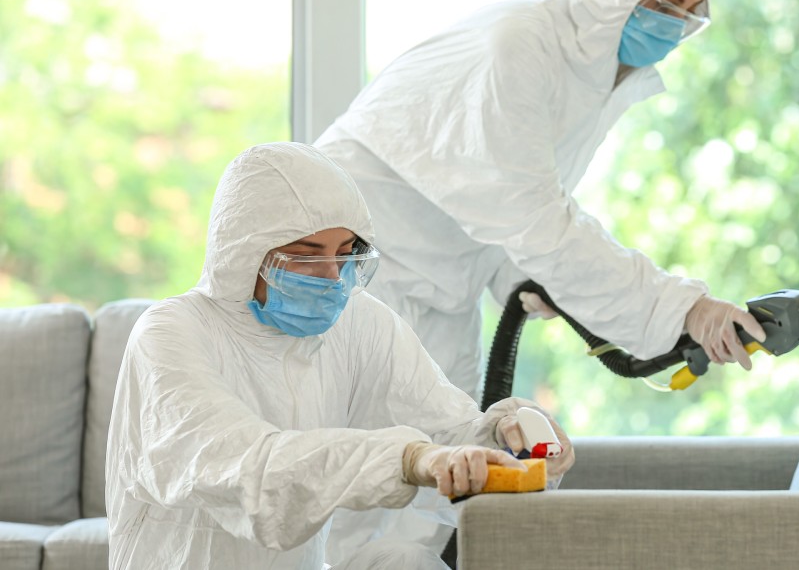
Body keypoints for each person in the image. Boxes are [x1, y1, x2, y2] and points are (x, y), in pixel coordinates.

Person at [314, 0, 768, 403]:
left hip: (442, 293)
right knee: (361, 461)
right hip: (356, 272)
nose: (673, 25)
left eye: (689, 13)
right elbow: (536, 221)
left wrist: (527, 276)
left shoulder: (591, 75)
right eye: (664, 4)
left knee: (453, 457)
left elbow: (495, 198)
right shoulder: (519, 47)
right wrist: (684, 309)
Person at [105, 142, 575, 570]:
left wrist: (507, 441)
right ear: (244, 253)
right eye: (309, 256)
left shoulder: (356, 323)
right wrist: (409, 458)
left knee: (404, 563)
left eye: (346, 253)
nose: (333, 277)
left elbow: (447, 433)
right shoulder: (171, 333)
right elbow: (253, 472)